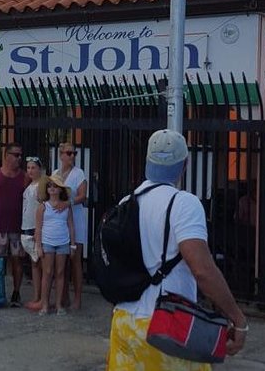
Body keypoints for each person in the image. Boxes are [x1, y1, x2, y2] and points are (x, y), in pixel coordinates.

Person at [107, 129, 247, 370]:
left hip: (124, 322)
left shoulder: (126, 203)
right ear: (184, 164)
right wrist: (238, 318)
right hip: (167, 324)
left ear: (148, 161)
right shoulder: (184, 203)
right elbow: (202, 270)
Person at [0, 142, 30, 307]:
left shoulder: (24, 177)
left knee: (17, 260)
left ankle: (16, 292)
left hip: (17, 227)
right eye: (16, 155)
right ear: (6, 155)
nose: (19, 158)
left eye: (20, 155)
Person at [52, 142, 87, 310]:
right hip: (60, 221)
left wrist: (69, 202)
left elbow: (83, 195)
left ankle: (78, 298)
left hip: (76, 218)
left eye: (74, 153)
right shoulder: (56, 174)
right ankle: (62, 296)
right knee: (61, 260)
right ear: (61, 155)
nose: (72, 156)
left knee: (75, 259)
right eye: (69, 153)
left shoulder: (78, 173)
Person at [35, 175, 76, 316]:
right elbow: (38, 228)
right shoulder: (43, 207)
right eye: (50, 186)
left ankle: (58, 304)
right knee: (47, 273)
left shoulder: (66, 207)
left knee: (60, 273)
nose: (52, 188)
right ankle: (45, 304)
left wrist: (73, 245)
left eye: (55, 186)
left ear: (60, 190)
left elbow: (71, 226)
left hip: (63, 242)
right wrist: (38, 246)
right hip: (47, 242)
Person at [20, 156, 44, 311]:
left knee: (41, 263)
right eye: (28, 168)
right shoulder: (29, 186)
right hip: (26, 226)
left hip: (37, 228)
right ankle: (36, 295)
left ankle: (42, 297)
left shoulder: (41, 186)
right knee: (34, 263)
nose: (30, 171)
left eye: (33, 168)